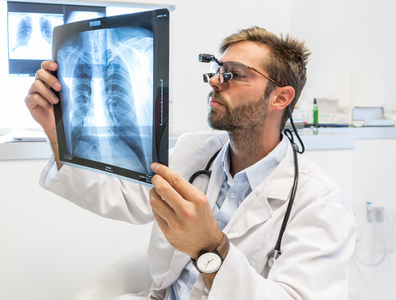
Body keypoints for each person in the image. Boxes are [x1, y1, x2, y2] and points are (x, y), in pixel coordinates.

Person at [25, 26, 356, 299]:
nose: (215, 80)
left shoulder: (320, 204)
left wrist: (209, 247)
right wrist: (57, 134)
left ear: (280, 98)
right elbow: (127, 197)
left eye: (234, 74)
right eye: (216, 69)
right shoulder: (195, 150)